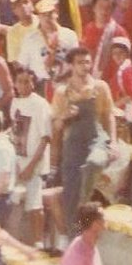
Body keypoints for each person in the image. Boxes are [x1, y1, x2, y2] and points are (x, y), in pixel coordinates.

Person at [52, 48, 115, 235]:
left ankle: (85, 197)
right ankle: (74, 239)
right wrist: (65, 115)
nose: (85, 66)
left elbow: (108, 115)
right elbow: (56, 126)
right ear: (71, 65)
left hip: (96, 140)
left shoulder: (100, 87)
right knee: (70, 201)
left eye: (87, 62)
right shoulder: (62, 92)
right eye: (80, 62)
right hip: (72, 147)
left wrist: (114, 142)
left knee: (94, 162)